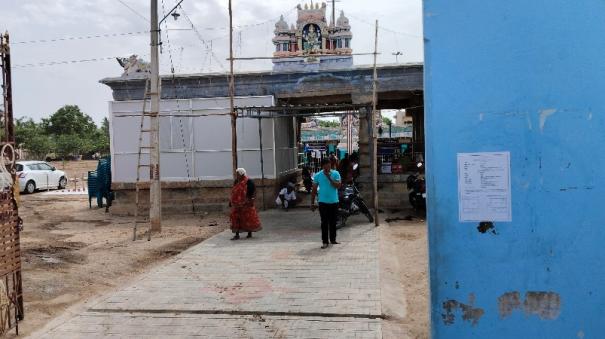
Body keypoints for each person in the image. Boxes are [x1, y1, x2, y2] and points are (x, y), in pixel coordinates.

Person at [311, 158, 342, 249]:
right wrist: (312, 203)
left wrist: (329, 177)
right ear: (322, 166)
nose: (327, 168)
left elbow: (338, 186)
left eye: (329, 165)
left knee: (333, 222)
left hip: (334, 201)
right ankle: (325, 241)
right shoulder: (318, 175)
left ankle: (333, 239)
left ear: (330, 165)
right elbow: (314, 190)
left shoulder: (336, 173)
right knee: (324, 222)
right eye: (325, 166)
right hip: (322, 202)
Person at [230, 168, 262, 240]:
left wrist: (252, 200)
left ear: (242, 174)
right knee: (236, 218)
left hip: (246, 203)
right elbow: (233, 191)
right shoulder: (236, 181)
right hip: (236, 204)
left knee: (248, 218)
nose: (236, 175)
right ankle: (237, 234)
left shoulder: (248, 182)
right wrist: (231, 201)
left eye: (238, 174)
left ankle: (249, 232)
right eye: (236, 174)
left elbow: (253, 191)